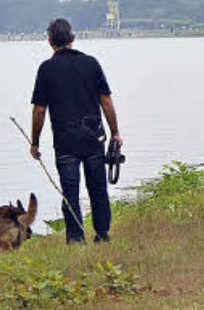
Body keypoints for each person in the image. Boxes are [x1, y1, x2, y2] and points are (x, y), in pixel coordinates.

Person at [30, 18, 122, 243]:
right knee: (98, 189)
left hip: (65, 142)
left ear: (50, 41)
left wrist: (35, 142)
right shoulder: (91, 63)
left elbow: (40, 110)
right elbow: (106, 101)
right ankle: (102, 233)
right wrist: (115, 132)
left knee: (70, 192)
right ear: (72, 38)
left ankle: (76, 237)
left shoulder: (46, 69)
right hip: (93, 138)